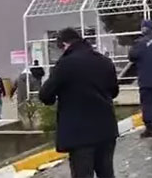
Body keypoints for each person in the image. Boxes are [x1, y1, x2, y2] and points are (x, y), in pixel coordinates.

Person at [39, 28, 119, 178]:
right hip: (106, 129)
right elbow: (114, 91)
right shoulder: (104, 61)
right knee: (107, 173)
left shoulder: (65, 64)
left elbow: (45, 95)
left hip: (79, 134)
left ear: (65, 44)